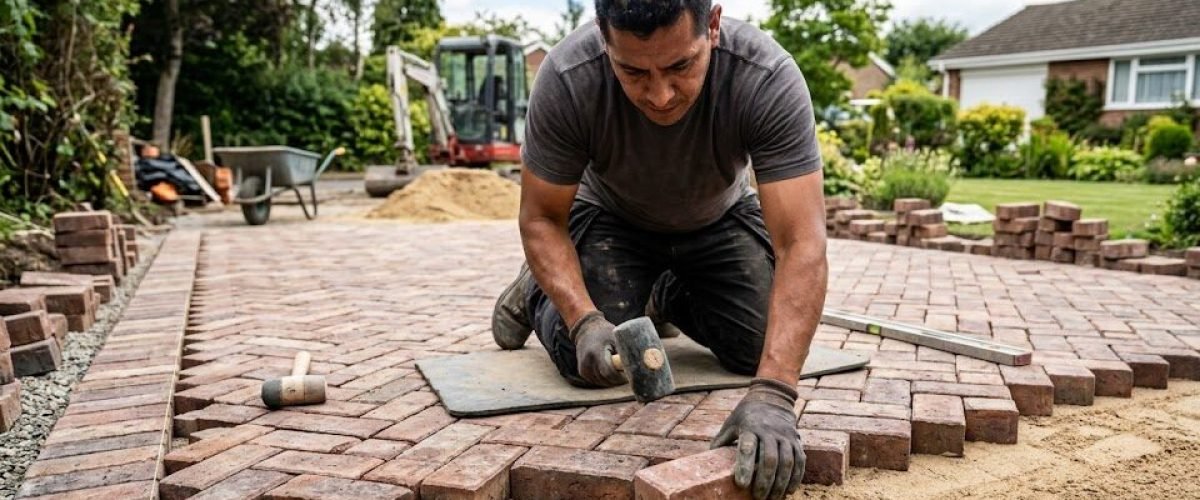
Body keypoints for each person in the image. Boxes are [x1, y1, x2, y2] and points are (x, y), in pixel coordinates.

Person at [490, 1, 827, 498]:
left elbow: (802, 241)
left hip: (717, 217)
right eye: (632, 71)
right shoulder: (567, 75)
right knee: (587, 363)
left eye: (680, 66)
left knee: (759, 350)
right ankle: (536, 287)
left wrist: (776, 394)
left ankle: (663, 292)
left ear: (712, 26)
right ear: (603, 35)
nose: (661, 95)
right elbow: (541, 217)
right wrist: (583, 319)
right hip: (611, 219)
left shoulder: (765, 75)